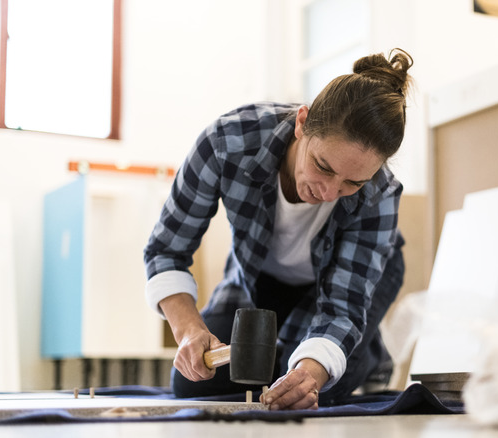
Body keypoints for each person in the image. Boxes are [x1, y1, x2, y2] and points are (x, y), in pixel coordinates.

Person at [143, 48, 413, 411]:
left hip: (354, 282)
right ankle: (345, 346)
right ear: (302, 122)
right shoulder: (227, 143)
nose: (329, 193)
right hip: (260, 276)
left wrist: (312, 371)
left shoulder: (380, 192)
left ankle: (365, 354)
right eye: (323, 166)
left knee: (318, 390)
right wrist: (190, 330)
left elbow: (341, 307)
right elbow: (166, 250)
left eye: (353, 183)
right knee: (195, 384)